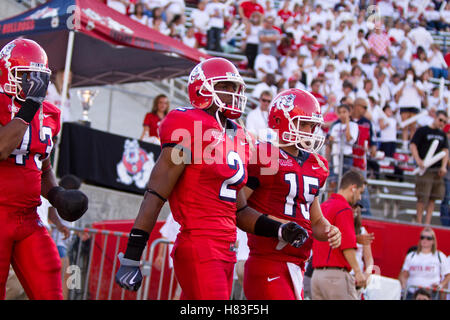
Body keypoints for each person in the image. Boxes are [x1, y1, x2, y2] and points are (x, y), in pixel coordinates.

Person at [115, 57, 310, 299]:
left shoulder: (237, 135)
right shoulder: (188, 125)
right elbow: (155, 193)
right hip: (200, 245)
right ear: (202, 88)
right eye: (225, 87)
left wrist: (279, 229)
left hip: (227, 250)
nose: (233, 94)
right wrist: (133, 254)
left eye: (234, 88)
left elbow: (239, 211)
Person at [0, 38, 88, 300]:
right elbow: (2, 148)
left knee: (50, 278)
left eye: (38, 77)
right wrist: (28, 109)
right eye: (26, 76)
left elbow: (43, 166)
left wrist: (57, 195)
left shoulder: (48, 113)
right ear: (6, 72)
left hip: (28, 218)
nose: (33, 84)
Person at [242, 88, 342, 300]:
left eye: (312, 126)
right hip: (268, 260)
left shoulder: (317, 164)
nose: (308, 131)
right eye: (302, 124)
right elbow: (237, 206)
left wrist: (329, 229)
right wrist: (276, 225)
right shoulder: (264, 155)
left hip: (297, 264)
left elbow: (314, 221)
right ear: (280, 120)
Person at [311, 170, 368, 300]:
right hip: (335, 278)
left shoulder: (323, 206)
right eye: (360, 192)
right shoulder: (343, 208)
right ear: (353, 188)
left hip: (316, 276)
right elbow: (347, 245)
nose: (359, 197)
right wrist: (358, 273)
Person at [410, 110, 449, 225]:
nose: (442, 123)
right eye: (440, 120)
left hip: (437, 171)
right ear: (435, 118)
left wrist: (443, 167)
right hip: (424, 170)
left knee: (433, 198)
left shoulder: (442, 135)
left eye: (444, 122)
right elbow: (413, 145)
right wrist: (418, 160)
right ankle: (419, 222)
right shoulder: (423, 130)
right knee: (422, 198)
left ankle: (427, 223)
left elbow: (445, 151)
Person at [399, 227, 450, 300]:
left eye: (428, 238)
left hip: (431, 294)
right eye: (422, 237)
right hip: (412, 293)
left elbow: (448, 275)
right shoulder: (411, 256)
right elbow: (403, 273)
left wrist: (440, 286)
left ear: (433, 241)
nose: (425, 240)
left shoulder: (440, 256)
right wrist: (404, 285)